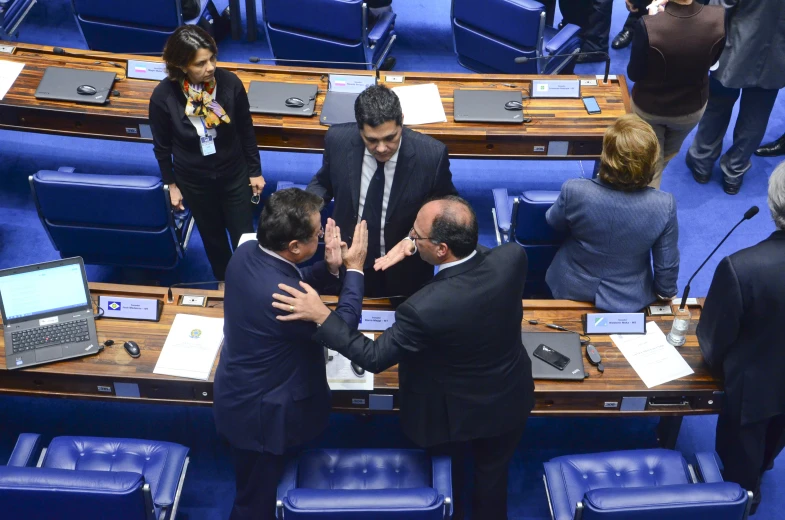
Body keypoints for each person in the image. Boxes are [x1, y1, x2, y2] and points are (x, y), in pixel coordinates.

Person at [273, 196, 534, 520]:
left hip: (453, 413)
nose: (409, 239)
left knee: (452, 466)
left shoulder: (424, 307)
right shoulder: (512, 257)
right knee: (491, 480)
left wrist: (322, 316)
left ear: (441, 249)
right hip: (509, 398)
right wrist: (417, 245)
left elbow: (373, 356)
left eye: (415, 235)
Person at [213, 188, 368, 520]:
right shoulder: (283, 302)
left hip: (240, 395)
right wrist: (354, 270)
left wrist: (329, 269)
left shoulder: (246, 253)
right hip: (264, 420)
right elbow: (343, 330)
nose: (323, 240)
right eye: (317, 236)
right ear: (295, 247)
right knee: (254, 502)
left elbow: (292, 278)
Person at [307, 84, 457, 298]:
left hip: (406, 268)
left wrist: (413, 240)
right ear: (360, 129)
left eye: (390, 138)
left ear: (401, 121)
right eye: (372, 140)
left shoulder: (431, 156)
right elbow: (323, 182)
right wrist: (306, 210)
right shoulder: (337, 140)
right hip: (348, 257)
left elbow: (447, 208)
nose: (381, 148)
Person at [697, 161, 785, 515]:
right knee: (773, 439)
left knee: (740, 461)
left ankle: (741, 500)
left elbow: (714, 341)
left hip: (753, 388)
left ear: (772, 202)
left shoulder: (742, 268)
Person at [149, 25, 264, 282]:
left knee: (245, 238)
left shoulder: (230, 83)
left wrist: (255, 170)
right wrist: (171, 184)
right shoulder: (163, 97)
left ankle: (249, 286)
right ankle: (224, 285)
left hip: (234, 172)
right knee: (213, 240)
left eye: (212, 58)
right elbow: (162, 146)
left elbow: (246, 129)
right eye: (201, 63)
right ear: (181, 65)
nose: (210, 67)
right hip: (194, 179)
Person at [545, 114, 679, 312]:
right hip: (629, 300)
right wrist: (665, 292)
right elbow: (666, 265)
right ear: (651, 161)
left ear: (606, 154)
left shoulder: (575, 190)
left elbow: (553, 222)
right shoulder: (663, 205)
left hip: (568, 287)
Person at [686, 0, 785, 194]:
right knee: (757, 116)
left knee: (716, 106)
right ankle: (734, 172)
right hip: (776, 57)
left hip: (735, 50)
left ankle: (702, 163)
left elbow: (719, 9)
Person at [627, 0, 725, 188]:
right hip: (690, 110)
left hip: (649, 108)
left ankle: (642, 201)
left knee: (650, 162)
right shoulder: (718, 17)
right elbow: (713, 62)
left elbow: (634, 73)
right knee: (662, 158)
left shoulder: (648, 25)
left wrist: (652, 20)